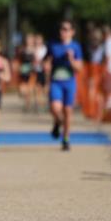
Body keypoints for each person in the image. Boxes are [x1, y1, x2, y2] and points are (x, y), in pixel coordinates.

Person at [44, 20, 84, 150]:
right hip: (56, 82)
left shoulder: (76, 47)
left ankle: (65, 140)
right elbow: (46, 61)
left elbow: (79, 68)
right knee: (55, 108)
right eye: (62, 29)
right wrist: (46, 67)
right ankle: (58, 122)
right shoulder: (53, 45)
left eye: (66, 29)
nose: (63, 32)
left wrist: (71, 59)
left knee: (67, 111)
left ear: (72, 32)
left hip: (69, 83)